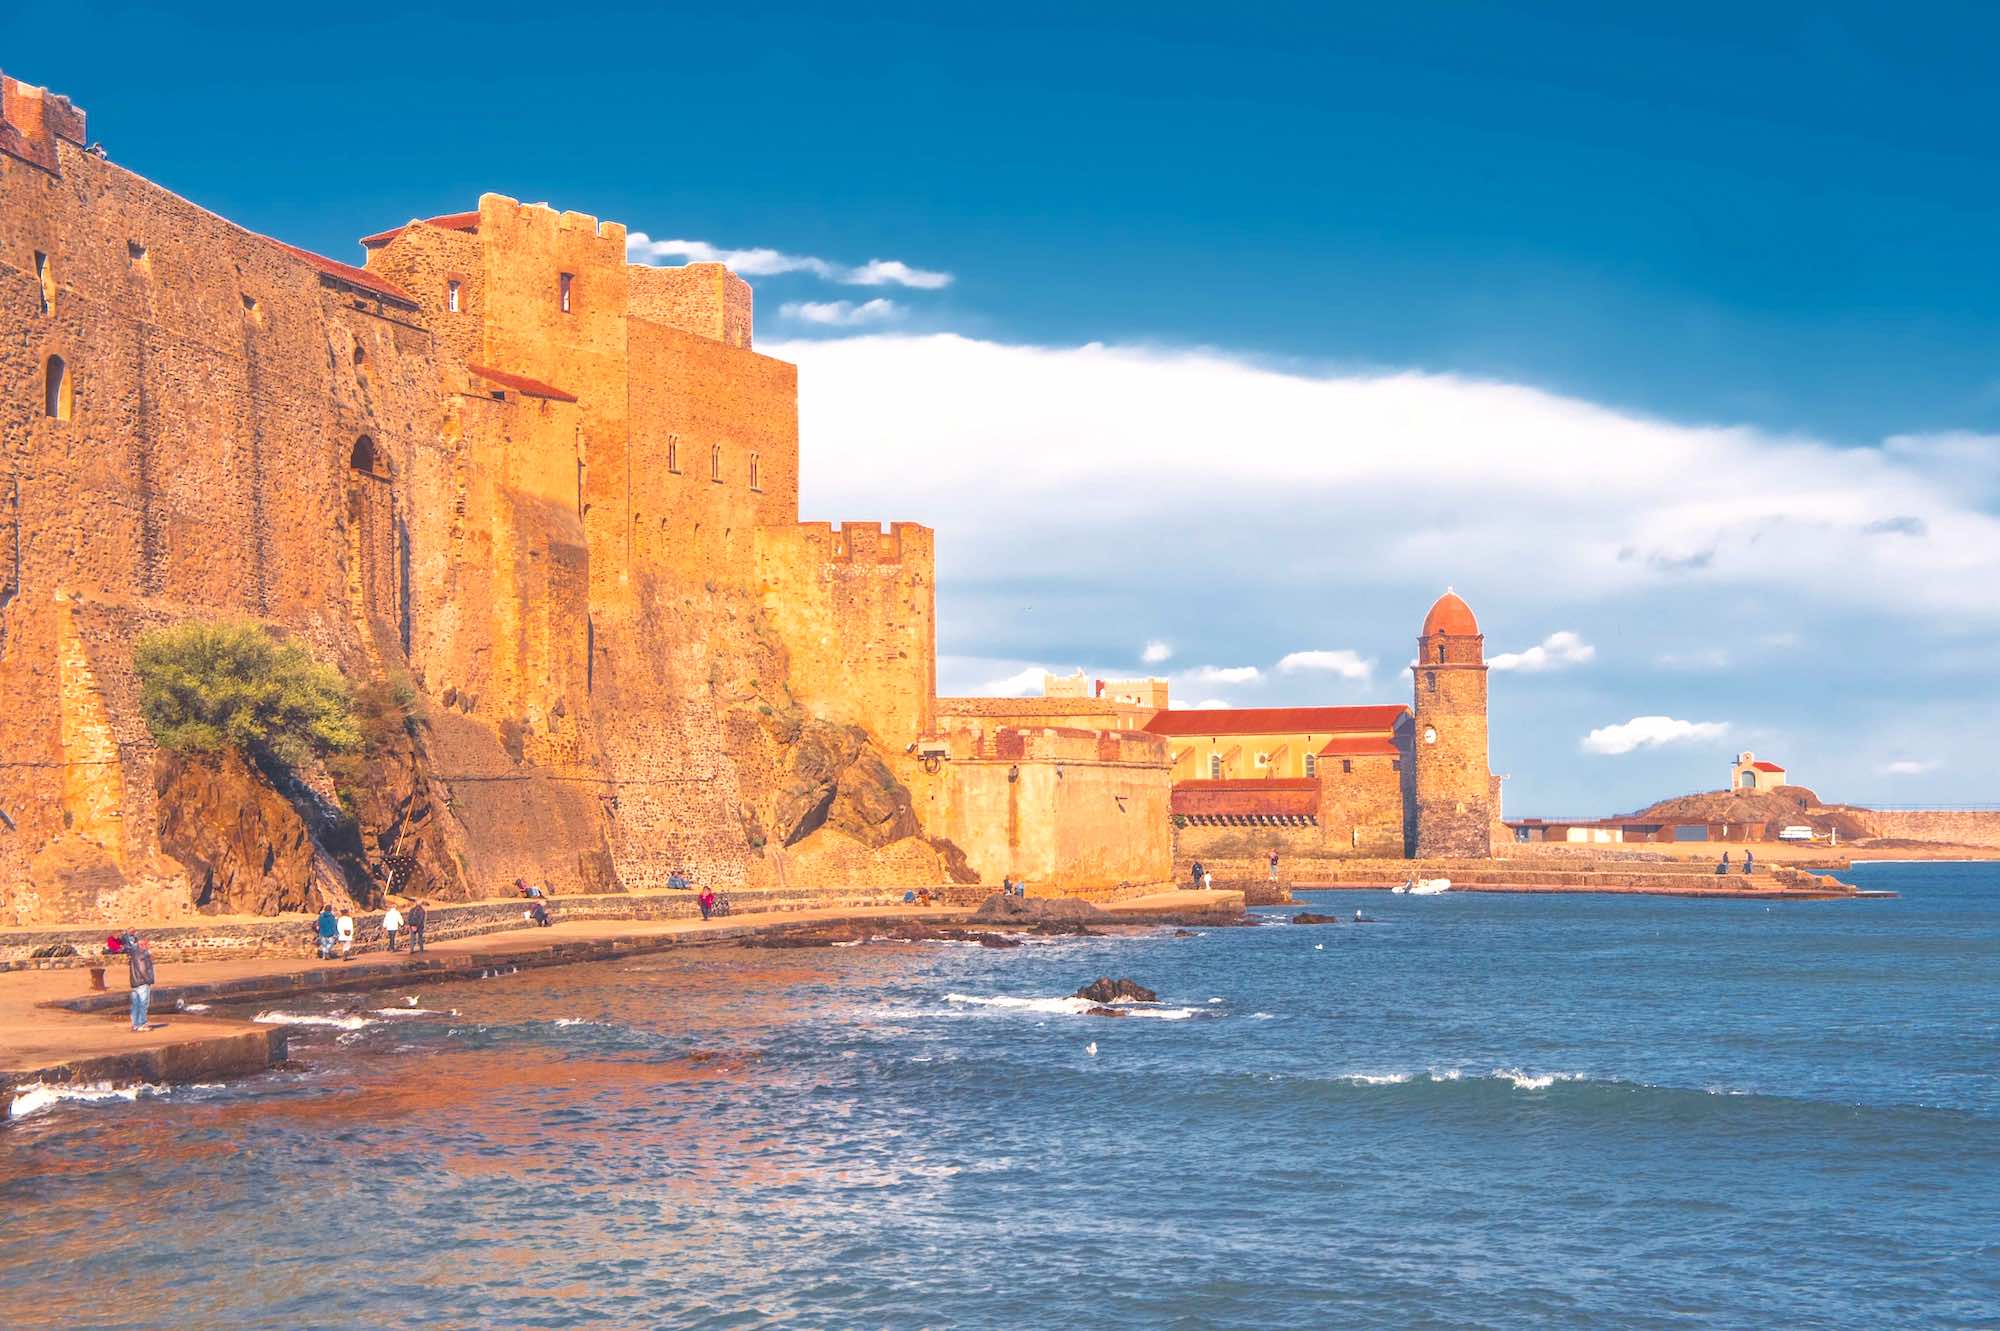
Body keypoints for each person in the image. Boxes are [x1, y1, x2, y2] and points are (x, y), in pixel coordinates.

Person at [120, 930, 156, 1032]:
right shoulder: (142, 955)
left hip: (135, 982)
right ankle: (142, 1024)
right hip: (142, 982)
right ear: (142, 944)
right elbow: (142, 969)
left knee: (135, 1004)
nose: (148, 946)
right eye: (147, 944)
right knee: (143, 1004)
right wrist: (149, 980)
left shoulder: (134, 953)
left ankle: (135, 1024)